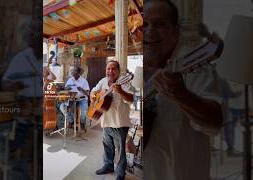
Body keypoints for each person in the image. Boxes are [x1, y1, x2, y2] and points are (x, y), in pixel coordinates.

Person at [143, 0, 223, 180]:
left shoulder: (192, 65)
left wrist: (181, 94)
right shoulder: (140, 68)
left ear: (176, 30)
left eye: (159, 24)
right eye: (145, 24)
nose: (149, 31)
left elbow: (215, 122)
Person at [0, 21, 41, 180]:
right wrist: (11, 85)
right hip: (22, 119)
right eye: (29, 36)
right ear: (26, 40)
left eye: (36, 33)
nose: (33, 38)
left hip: (42, 116)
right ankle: (18, 176)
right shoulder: (21, 58)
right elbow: (5, 83)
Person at [91, 60, 134, 180]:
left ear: (119, 71)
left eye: (113, 69)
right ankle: (108, 166)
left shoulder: (124, 82)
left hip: (119, 123)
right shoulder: (103, 81)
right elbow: (94, 90)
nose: (110, 71)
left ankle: (120, 174)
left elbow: (131, 99)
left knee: (120, 152)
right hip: (105, 121)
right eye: (108, 69)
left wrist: (121, 91)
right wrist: (94, 95)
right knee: (107, 147)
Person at [59, 66, 90, 131]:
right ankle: (71, 120)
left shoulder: (84, 81)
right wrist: (66, 89)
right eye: (73, 71)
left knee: (84, 109)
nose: (73, 73)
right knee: (62, 107)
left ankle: (81, 122)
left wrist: (82, 89)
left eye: (75, 71)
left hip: (81, 99)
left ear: (79, 73)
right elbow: (65, 91)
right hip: (71, 99)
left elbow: (88, 93)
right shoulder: (70, 80)